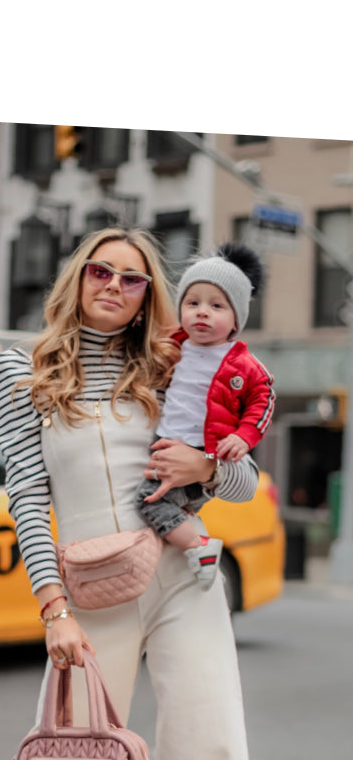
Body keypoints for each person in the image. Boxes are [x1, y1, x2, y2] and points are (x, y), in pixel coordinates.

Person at [0, 227, 272, 760]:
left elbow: (242, 481)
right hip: (90, 596)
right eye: (100, 271)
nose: (113, 285)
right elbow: (24, 494)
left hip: (182, 583)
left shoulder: (178, 366)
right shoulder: (23, 374)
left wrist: (207, 468)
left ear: (148, 298)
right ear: (77, 279)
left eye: (132, 278)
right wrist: (53, 611)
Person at [132, 242, 273, 581]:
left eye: (216, 305)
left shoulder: (242, 364)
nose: (202, 312)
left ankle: (199, 547)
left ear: (236, 319)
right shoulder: (170, 350)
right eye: (193, 303)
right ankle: (191, 544)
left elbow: (262, 400)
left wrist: (244, 436)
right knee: (163, 506)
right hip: (166, 442)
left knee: (149, 502)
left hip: (203, 449)